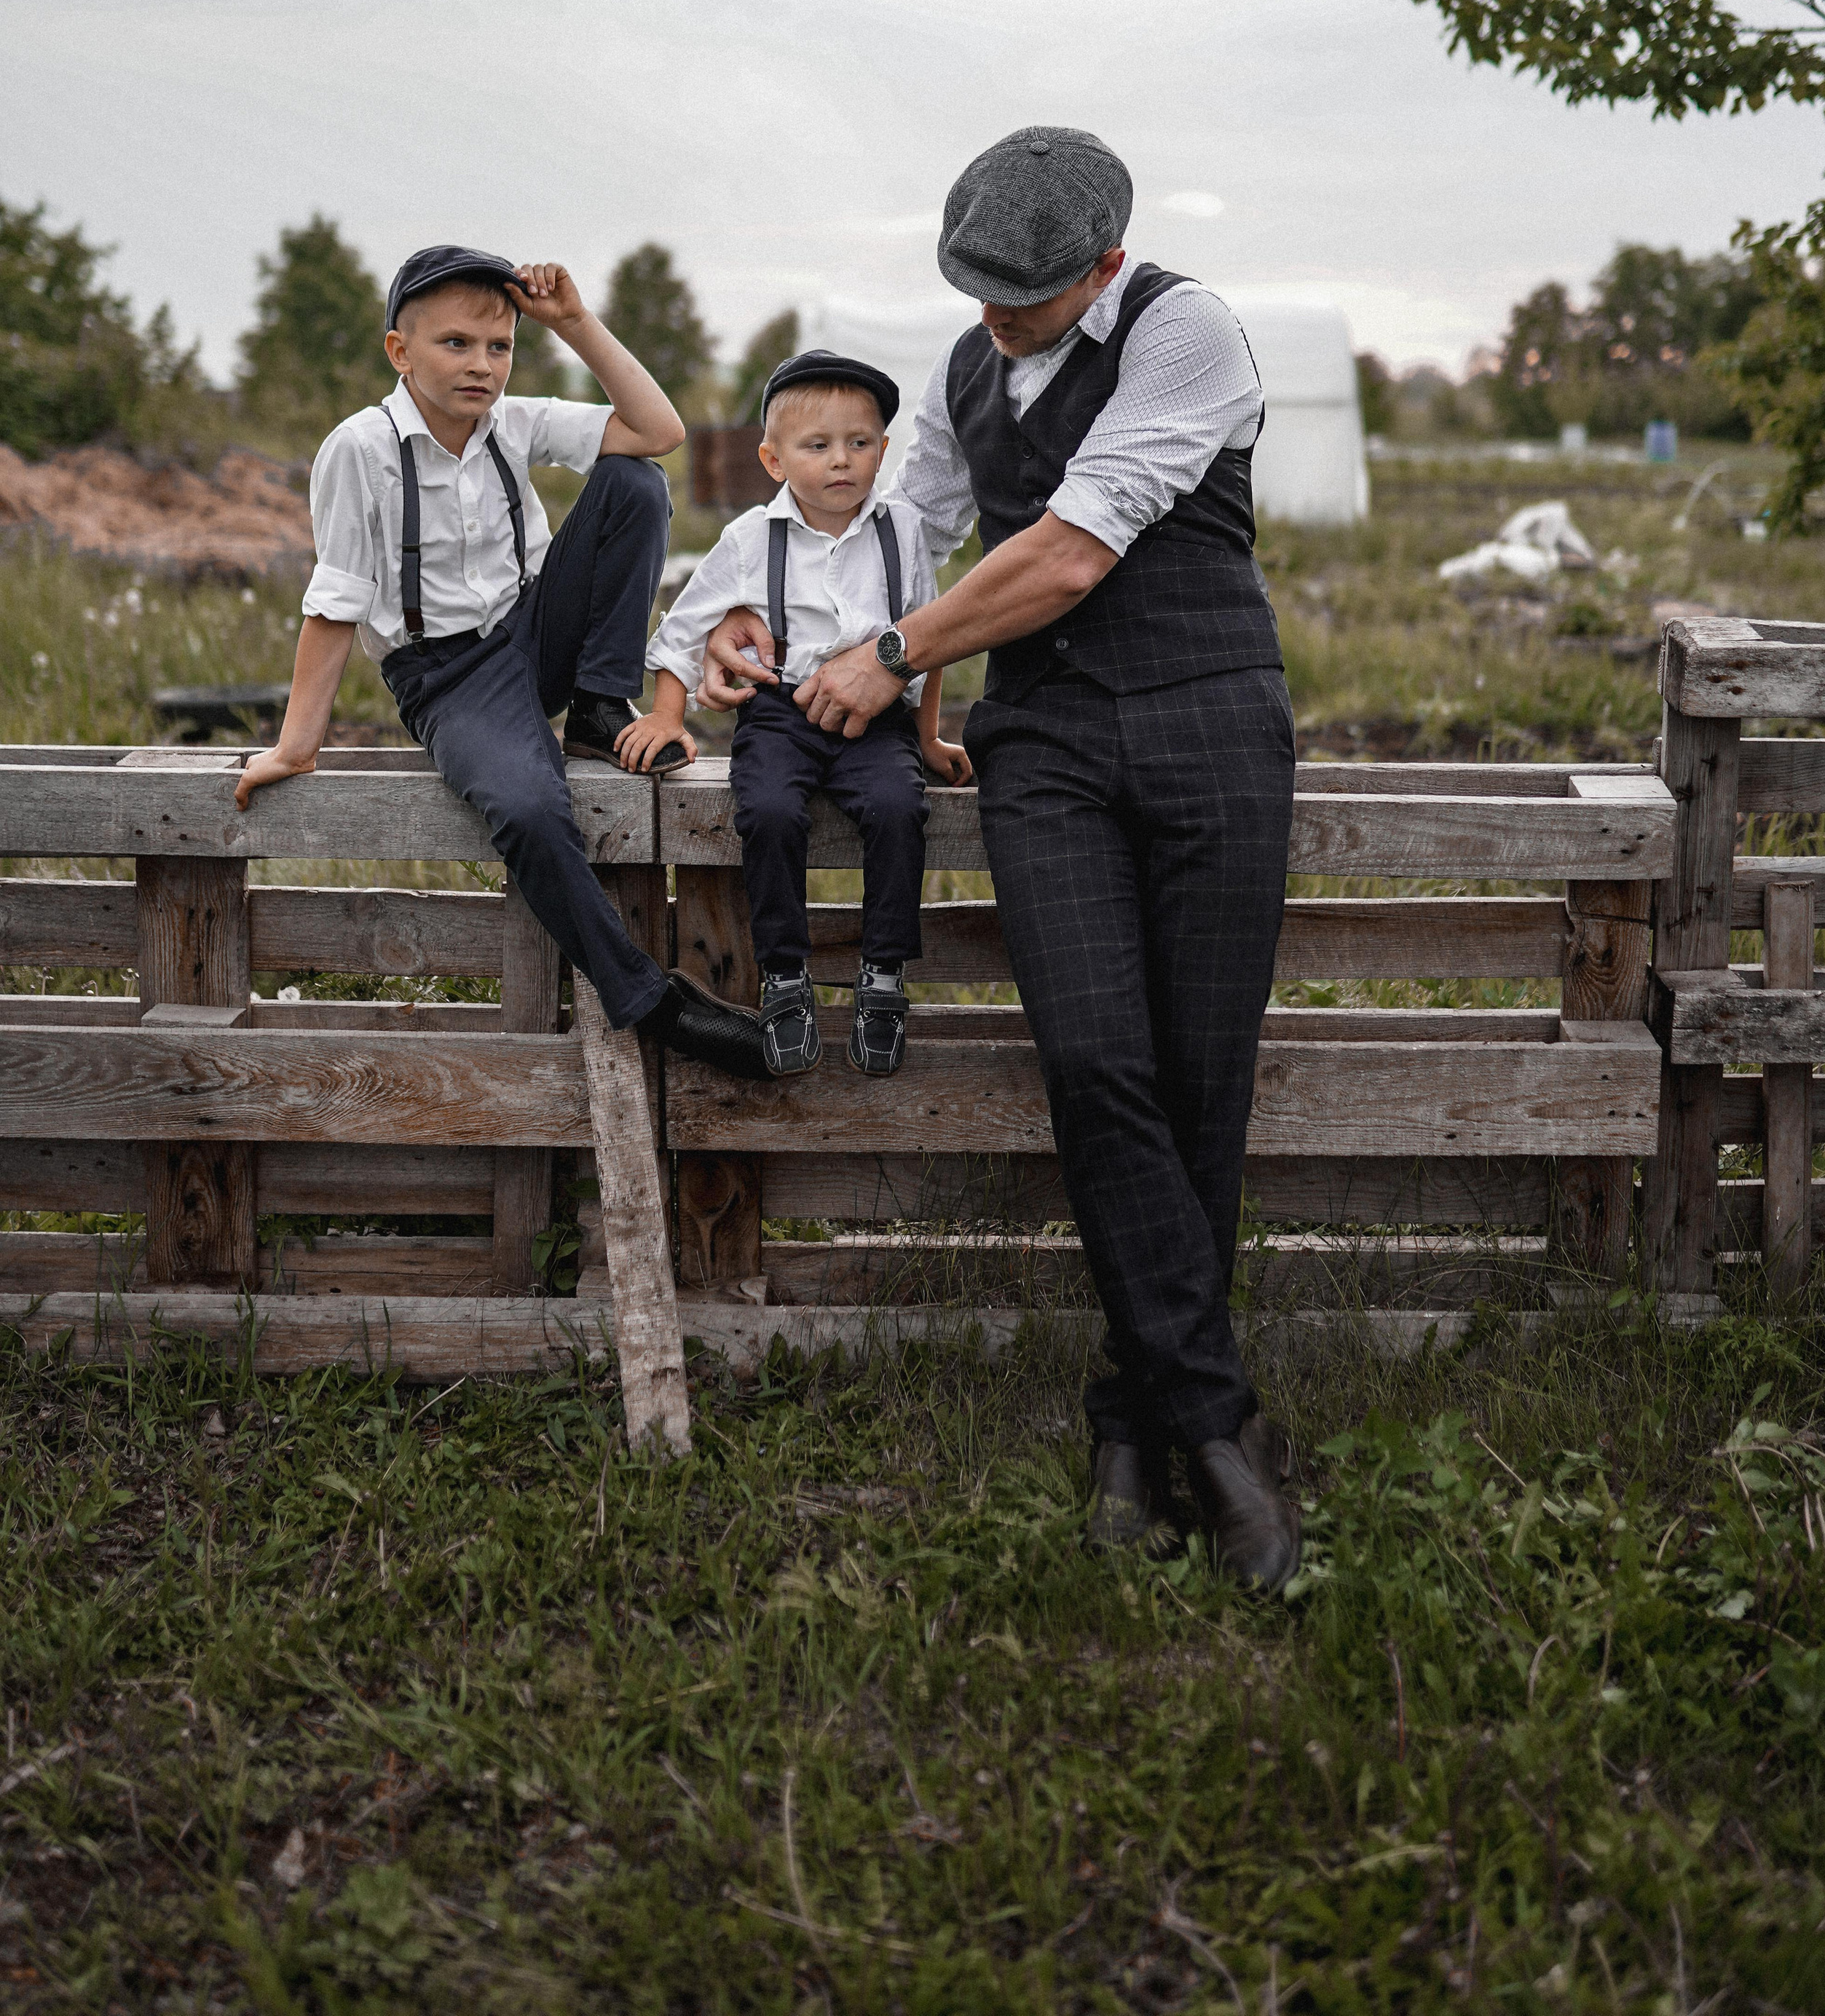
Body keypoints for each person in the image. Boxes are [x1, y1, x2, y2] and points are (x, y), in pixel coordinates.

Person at [698, 131, 1302, 1586]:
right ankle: (1215, 1432)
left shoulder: (1185, 332)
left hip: (1207, 718)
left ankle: (1126, 1424)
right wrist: (731, 622)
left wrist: (893, 656)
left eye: (1019, 299)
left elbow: (1068, 554)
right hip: (1041, 750)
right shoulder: (967, 373)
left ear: (1100, 266)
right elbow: (882, 535)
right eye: (971, 290)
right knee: (1096, 1067)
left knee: (1195, 1086)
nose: (989, 322)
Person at [233, 243, 767, 1080]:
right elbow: (335, 600)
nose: (482, 366)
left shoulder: (511, 422)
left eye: (500, 347)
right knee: (527, 809)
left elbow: (659, 430)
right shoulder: (361, 449)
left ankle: (597, 706)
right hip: (445, 675)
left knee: (635, 482)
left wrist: (576, 324)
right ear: (399, 352)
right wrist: (298, 744)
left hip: (532, 630)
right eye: (455, 345)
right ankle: (650, 1000)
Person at [621, 348, 971, 1078]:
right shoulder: (752, 538)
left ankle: (882, 975)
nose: (840, 461)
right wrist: (665, 714)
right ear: (774, 460)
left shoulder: (900, 531)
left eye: (860, 443)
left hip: (876, 723)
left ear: (882, 449)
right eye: (817, 447)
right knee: (771, 813)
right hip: (780, 712)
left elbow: (926, 637)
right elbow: (685, 627)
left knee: (898, 808)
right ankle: (784, 974)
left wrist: (927, 735)